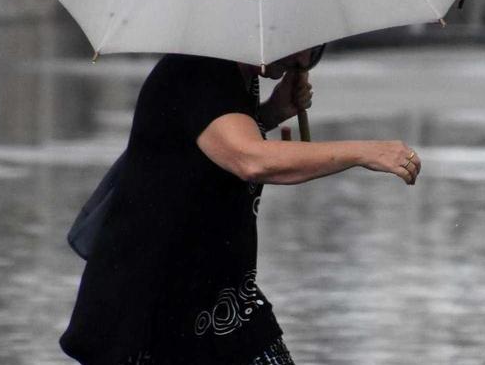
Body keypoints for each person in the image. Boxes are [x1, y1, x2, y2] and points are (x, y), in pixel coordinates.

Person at [60, 47, 421, 365]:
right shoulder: (196, 71)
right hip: (148, 314)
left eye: (313, 51)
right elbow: (251, 160)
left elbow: (204, 147)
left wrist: (269, 114)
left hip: (222, 304)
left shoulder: (238, 79)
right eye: (294, 46)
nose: (300, 61)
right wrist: (365, 152)